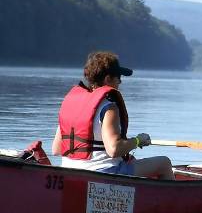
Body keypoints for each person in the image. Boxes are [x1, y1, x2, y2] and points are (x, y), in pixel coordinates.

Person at [52, 51, 175, 180]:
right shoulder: (108, 107)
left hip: (69, 172)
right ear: (108, 79)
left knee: (132, 160)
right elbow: (114, 149)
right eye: (118, 77)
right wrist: (138, 140)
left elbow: (57, 149)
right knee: (164, 163)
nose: (120, 82)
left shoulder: (71, 105)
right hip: (103, 173)